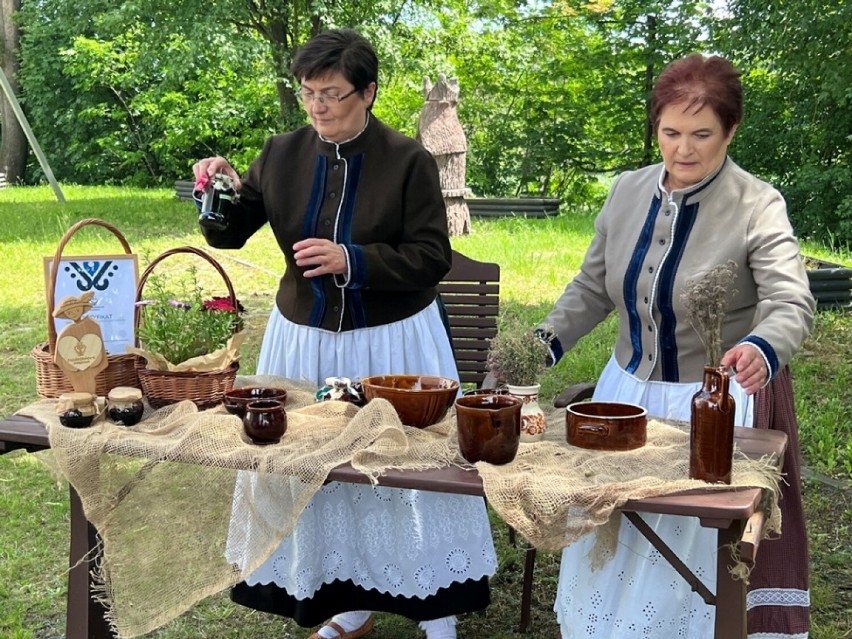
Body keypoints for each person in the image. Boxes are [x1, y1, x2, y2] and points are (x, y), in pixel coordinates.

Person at [193, 28, 496, 639]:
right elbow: (227, 233)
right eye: (308, 93)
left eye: (331, 93)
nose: (317, 106)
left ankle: (437, 613)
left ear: (368, 92)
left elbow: (432, 256)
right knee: (311, 473)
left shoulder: (407, 159)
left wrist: (353, 261)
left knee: (411, 474)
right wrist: (216, 189)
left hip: (392, 343)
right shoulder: (280, 153)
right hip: (301, 341)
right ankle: (345, 608)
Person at [538, 54, 814, 639]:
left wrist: (763, 347)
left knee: (691, 549)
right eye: (670, 132)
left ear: (731, 131)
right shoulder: (627, 190)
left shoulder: (757, 203)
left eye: (701, 134)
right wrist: (544, 342)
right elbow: (591, 286)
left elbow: (792, 301)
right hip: (625, 398)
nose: (683, 149)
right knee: (615, 536)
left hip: (713, 404)